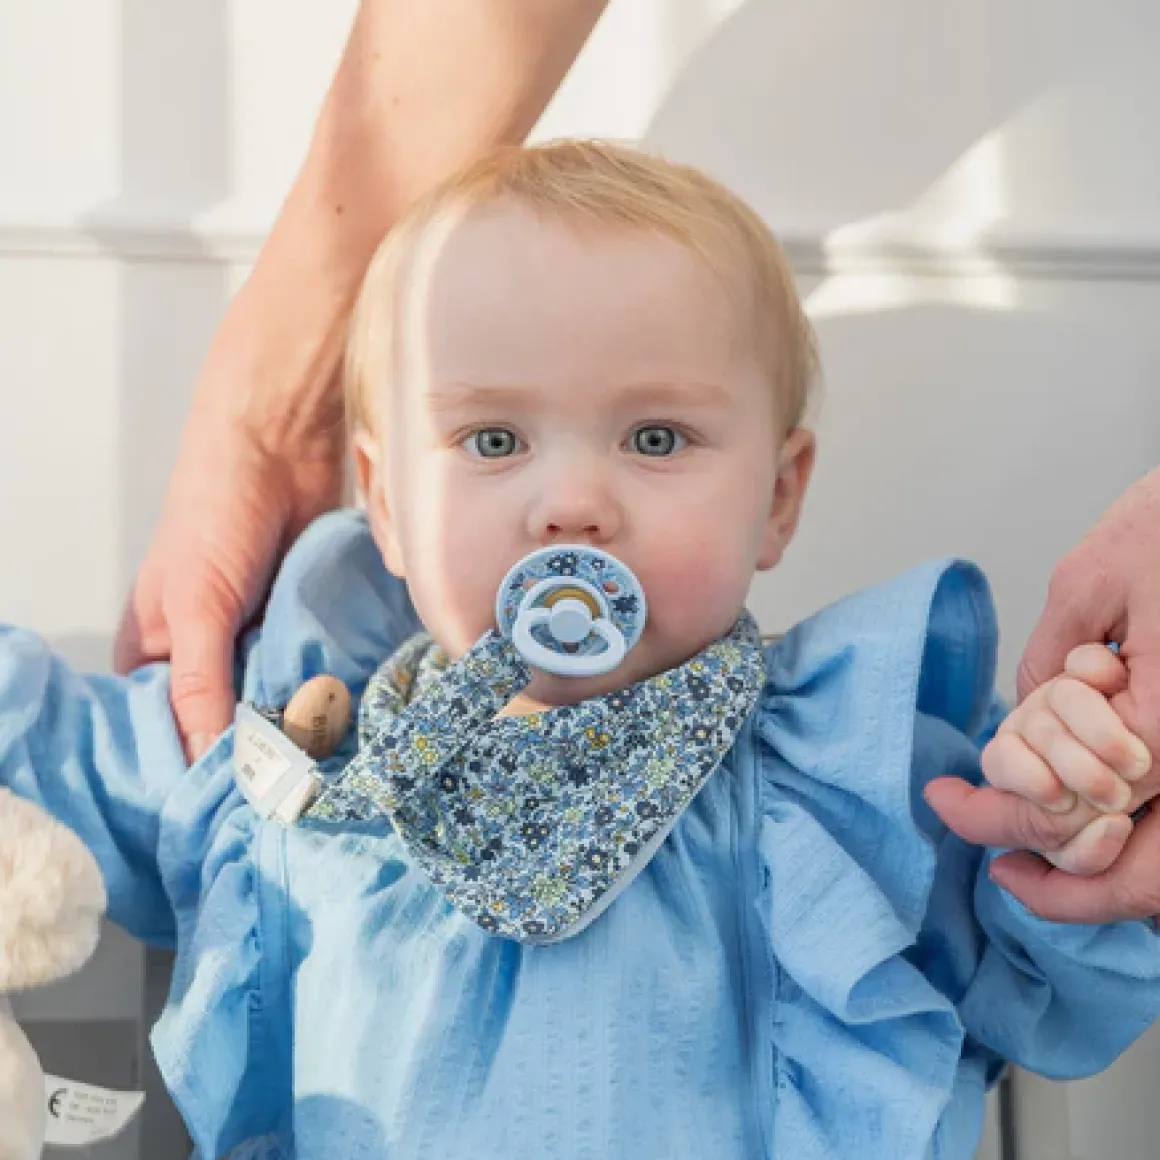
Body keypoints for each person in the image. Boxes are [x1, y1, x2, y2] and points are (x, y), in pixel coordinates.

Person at [5, 141, 1160, 1160]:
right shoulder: (295, 759)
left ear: (776, 496)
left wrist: (1070, 816)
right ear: (386, 504)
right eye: (490, 438)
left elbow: (1045, 998)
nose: (571, 503)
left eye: (654, 437)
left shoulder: (849, 778)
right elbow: (49, 751)